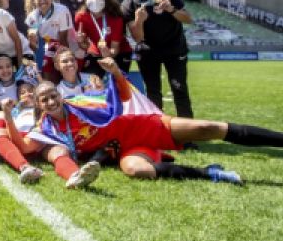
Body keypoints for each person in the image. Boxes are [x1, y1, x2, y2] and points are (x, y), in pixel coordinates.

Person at [31, 57, 283, 184]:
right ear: (38, 105)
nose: (51, 102)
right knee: (137, 170)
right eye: (45, 100)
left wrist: (116, 72)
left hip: (144, 127)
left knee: (208, 127)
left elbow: (123, 96)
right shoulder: (47, 130)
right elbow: (27, 145)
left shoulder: (81, 103)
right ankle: (209, 172)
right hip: (127, 149)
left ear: (60, 96)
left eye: (53, 96)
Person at [121, 0, 194, 117]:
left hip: (174, 48)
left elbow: (188, 18)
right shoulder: (127, 5)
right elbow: (138, 38)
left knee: (179, 89)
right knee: (153, 92)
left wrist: (171, 9)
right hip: (148, 52)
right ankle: (158, 128)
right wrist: (139, 21)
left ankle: (187, 130)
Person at [74, 0, 132, 76]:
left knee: (118, 82)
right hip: (96, 52)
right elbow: (84, 45)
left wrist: (109, 54)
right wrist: (81, 42)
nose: (95, 0)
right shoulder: (81, 17)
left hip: (120, 52)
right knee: (91, 81)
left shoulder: (115, 17)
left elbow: (115, 47)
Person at [24, 0, 72, 80]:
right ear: (33, 0)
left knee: (51, 65)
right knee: (37, 64)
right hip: (44, 46)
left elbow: (64, 39)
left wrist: (62, 57)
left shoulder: (62, 11)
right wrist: (32, 41)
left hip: (61, 44)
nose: (42, 1)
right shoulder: (32, 17)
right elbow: (33, 45)